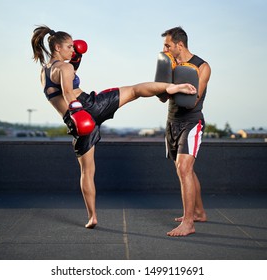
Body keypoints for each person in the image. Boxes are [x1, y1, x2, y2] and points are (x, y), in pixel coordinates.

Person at [31, 25, 197, 229]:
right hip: (87, 107)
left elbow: (63, 83)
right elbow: (68, 91)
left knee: (87, 172)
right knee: (134, 90)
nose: (73, 50)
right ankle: (172, 87)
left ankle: (92, 216)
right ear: (57, 47)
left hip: (75, 123)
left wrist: (76, 61)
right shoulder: (65, 68)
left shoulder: (45, 72)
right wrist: (77, 110)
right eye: (70, 46)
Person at [159, 27, 211, 236]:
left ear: (179, 45)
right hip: (172, 122)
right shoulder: (169, 64)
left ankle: (188, 222)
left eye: (167, 45)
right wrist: (166, 80)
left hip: (191, 122)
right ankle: (198, 211)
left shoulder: (202, 66)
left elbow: (193, 100)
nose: (164, 49)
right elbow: (161, 96)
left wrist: (173, 86)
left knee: (184, 168)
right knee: (184, 170)